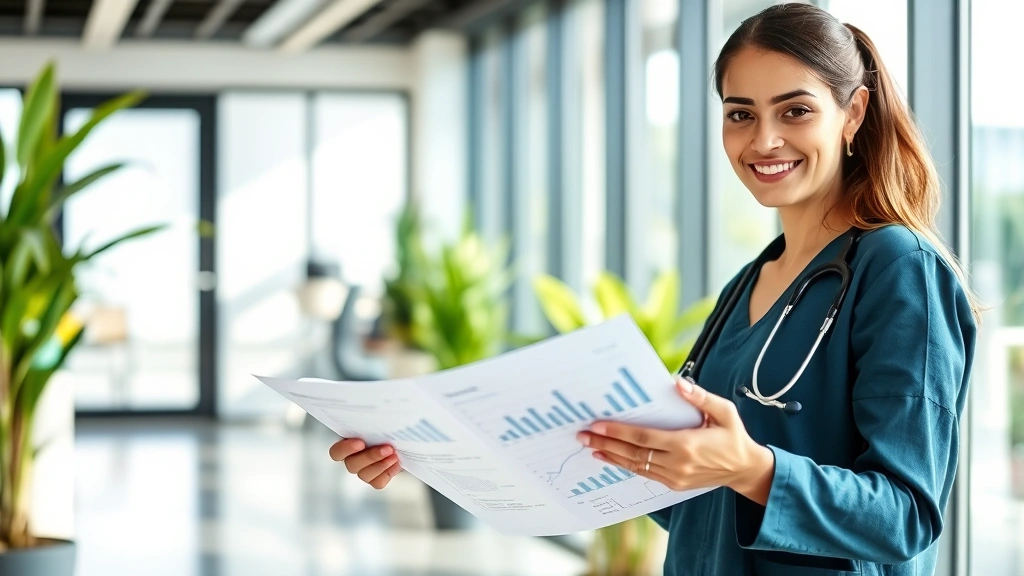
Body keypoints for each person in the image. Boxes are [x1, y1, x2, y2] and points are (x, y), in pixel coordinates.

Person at [328, 4, 978, 575]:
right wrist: (441, 456)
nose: (764, 140)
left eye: (796, 111)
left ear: (853, 113)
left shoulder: (899, 268)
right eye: (740, 114)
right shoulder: (747, 285)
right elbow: (678, 489)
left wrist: (751, 468)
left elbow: (905, 517)